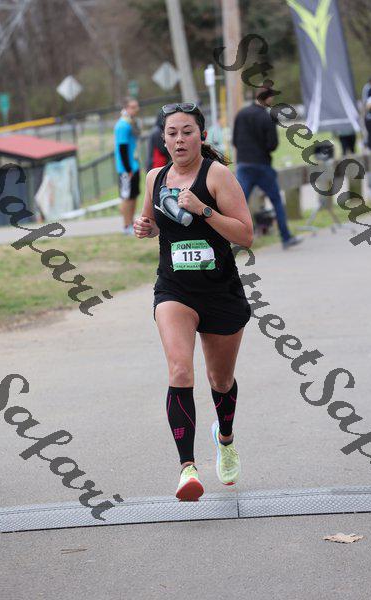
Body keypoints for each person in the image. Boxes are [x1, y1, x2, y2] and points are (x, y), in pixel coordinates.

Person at [133, 102, 253, 501]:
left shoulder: (217, 175)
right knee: (180, 370)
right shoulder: (154, 177)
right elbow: (153, 224)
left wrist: (203, 210)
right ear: (163, 139)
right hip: (175, 290)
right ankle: (187, 469)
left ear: (201, 135)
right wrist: (144, 227)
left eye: (187, 132)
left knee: (220, 381)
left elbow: (245, 234)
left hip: (220, 292)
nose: (180, 139)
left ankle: (226, 438)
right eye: (172, 133)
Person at [233, 87, 302, 249]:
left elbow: (235, 140)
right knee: (276, 201)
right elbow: (273, 145)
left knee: (238, 203)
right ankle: (285, 237)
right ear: (268, 98)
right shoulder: (268, 117)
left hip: (244, 164)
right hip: (262, 164)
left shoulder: (241, 114)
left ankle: (235, 241)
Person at [114, 97, 141, 235]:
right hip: (126, 169)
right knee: (126, 197)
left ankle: (131, 222)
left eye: (137, 106)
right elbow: (122, 148)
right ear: (126, 108)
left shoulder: (132, 122)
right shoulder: (122, 125)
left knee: (134, 196)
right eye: (133, 107)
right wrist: (128, 168)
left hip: (134, 166)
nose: (136, 109)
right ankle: (126, 226)